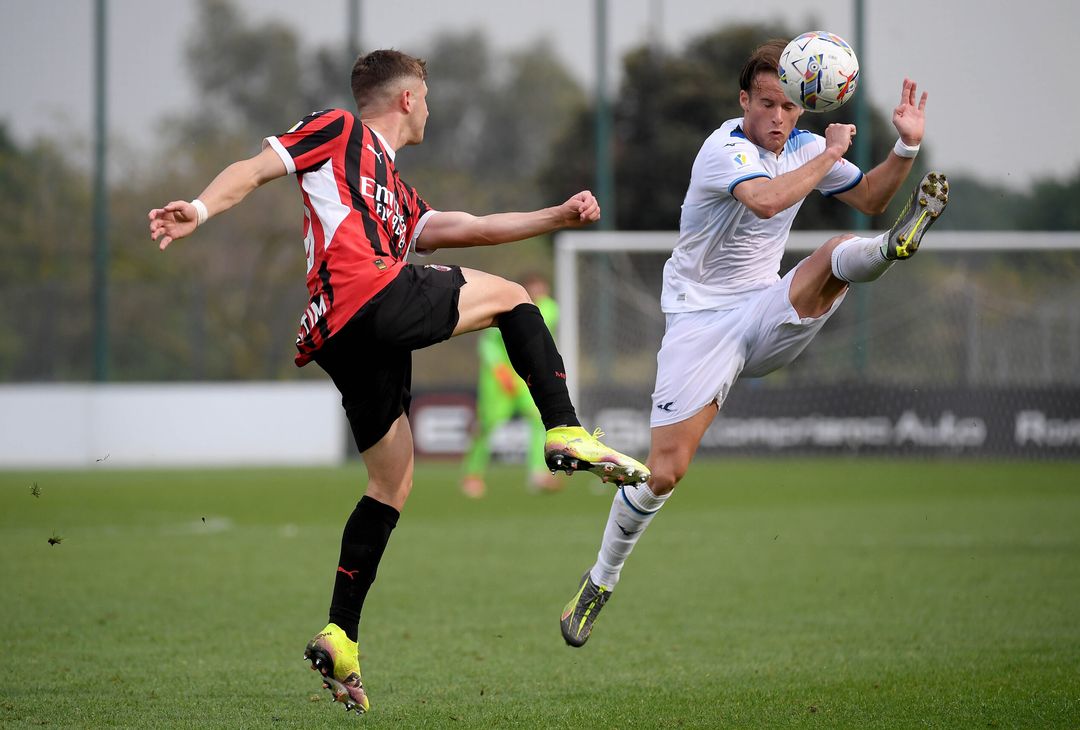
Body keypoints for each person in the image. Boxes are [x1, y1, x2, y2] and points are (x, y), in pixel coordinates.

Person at [148, 49, 649, 715]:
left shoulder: (391, 183)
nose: (432, 109)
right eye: (429, 96)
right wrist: (201, 210)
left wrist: (550, 218)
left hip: (341, 331)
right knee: (513, 301)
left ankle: (340, 635)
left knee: (392, 482)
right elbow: (256, 168)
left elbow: (453, 229)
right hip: (366, 293)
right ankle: (564, 430)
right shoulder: (338, 129)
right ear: (408, 99)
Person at [559, 39, 948, 647]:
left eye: (789, 107)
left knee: (835, 254)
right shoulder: (725, 148)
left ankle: (892, 249)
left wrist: (906, 146)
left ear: (801, 108)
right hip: (699, 324)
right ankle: (600, 580)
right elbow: (766, 203)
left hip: (765, 311)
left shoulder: (805, 146)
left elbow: (870, 198)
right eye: (766, 103)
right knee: (664, 473)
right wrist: (831, 155)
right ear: (745, 100)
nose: (777, 117)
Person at [461, 273, 563, 497]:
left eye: (542, 289)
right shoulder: (505, 304)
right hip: (499, 378)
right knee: (488, 425)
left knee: (539, 420)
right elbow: (487, 344)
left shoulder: (551, 309)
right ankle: (473, 475)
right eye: (535, 288)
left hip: (526, 376)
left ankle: (537, 474)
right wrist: (499, 370)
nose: (540, 293)